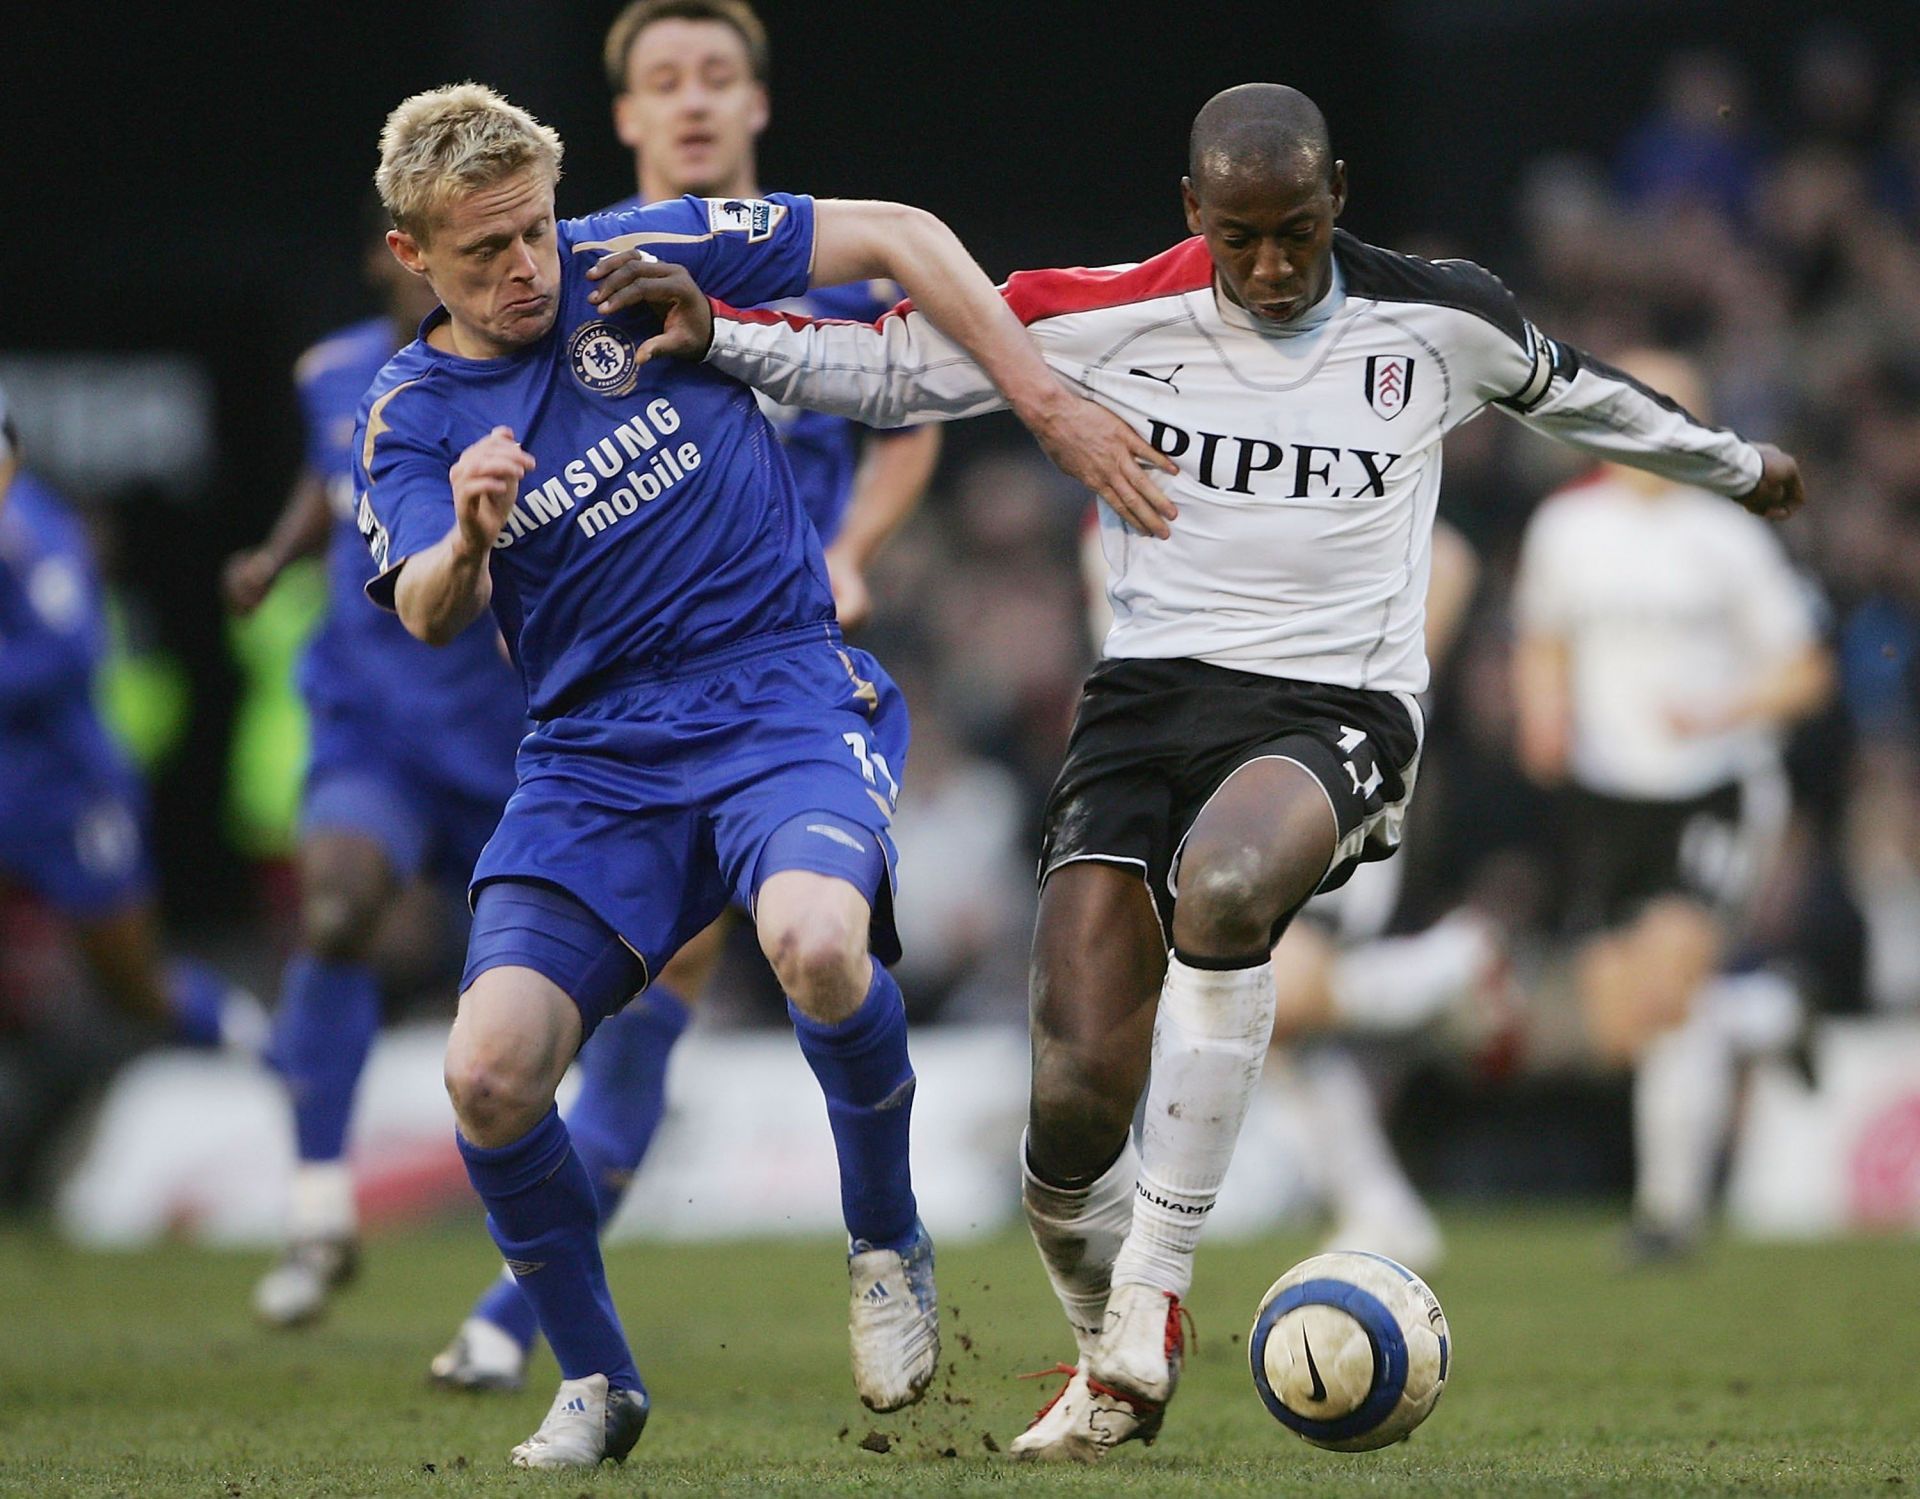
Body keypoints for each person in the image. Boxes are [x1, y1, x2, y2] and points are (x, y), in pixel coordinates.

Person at [603, 81, 1807, 1460]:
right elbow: (896, 365)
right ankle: (1114, 1352)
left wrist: (1737, 465)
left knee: (1225, 891)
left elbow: (1584, 395)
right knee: (1068, 1105)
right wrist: (730, 337)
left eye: (1298, 229)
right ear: (1196, 214)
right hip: (1142, 706)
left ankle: (1154, 1295)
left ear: (1337, 194)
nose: (1275, 265)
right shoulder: (1110, 308)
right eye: (1243, 237)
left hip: (1334, 705)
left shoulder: (1436, 319)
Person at [356, 82, 1165, 1468]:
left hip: (776, 689)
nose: (526, 268)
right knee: (488, 1076)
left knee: (811, 936)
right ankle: (599, 1379)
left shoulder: (638, 255)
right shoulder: (414, 412)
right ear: (413, 255)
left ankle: (883, 1236)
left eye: (535, 231)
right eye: (483, 250)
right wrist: (471, 538)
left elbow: (903, 236)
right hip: (593, 756)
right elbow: (425, 603)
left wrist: (1040, 404)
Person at [428, 0, 944, 1394]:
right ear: (628, 120)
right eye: (668, 81)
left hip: (778, 669)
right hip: (619, 707)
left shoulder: (794, 260)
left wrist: (855, 547)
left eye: (720, 76)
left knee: (778, 951)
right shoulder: (561, 278)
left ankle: (540, 1317)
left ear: (757, 106)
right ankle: (552, 1328)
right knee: (625, 1000)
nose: (697, 101)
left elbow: (914, 414)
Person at [222, 198, 532, 1327]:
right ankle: (316, 1209)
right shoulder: (332, 373)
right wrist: (275, 551)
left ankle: (539, 1251)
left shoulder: (537, 374)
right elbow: (332, 474)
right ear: (393, 258)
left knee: (534, 996)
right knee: (339, 910)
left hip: (510, 733)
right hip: (372, 719)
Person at [1511, 346, 1832, 1265]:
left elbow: (1807, 673)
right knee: (1622, 1027)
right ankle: (1771, 1011)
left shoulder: (1730, 535)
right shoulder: (1564, 531)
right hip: (1611, 793)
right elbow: (1543, 640)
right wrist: (1544, 717)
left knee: (1671, 991)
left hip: (1716, 782)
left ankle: (1667, 1215)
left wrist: (1721, 710)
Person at [0, 386, 255, 1055]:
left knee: (136, 983)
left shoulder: (27, 524)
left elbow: (68, 648)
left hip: (64, 790)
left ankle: (260, 1049)